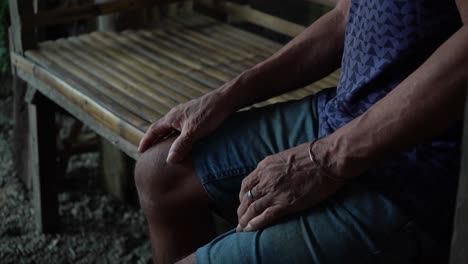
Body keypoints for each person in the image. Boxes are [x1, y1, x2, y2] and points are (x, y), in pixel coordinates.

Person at [135, 0, 468, 263]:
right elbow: (344, 16)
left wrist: (326, 158)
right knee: (161, 169)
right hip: (340, 114)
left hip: (419, 161)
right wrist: (228, 96)